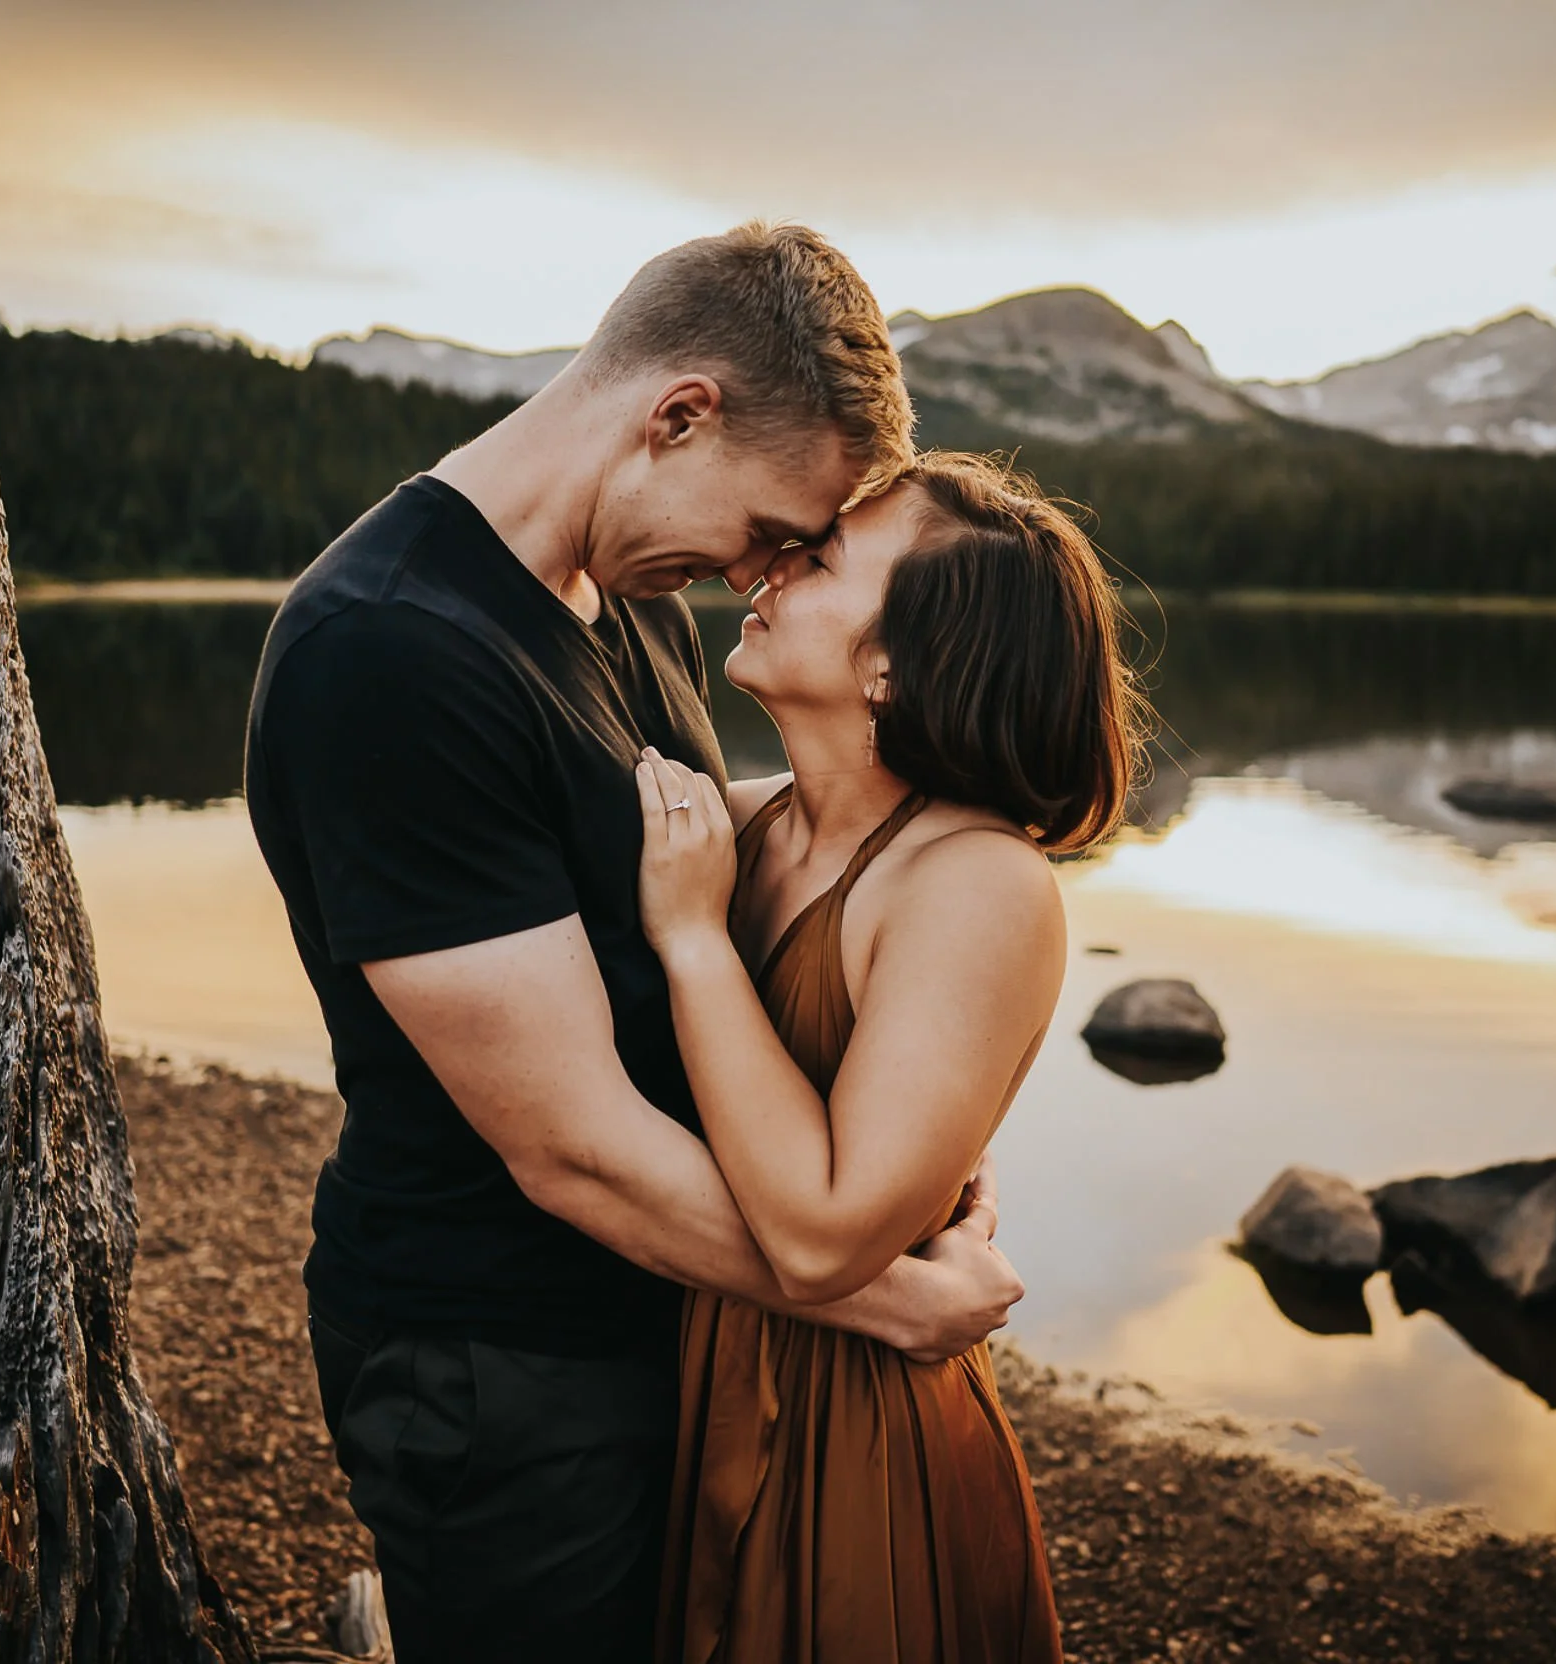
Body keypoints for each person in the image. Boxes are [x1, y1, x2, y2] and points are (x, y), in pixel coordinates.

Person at [244, 224, 1028, 1664]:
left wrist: (912, 1066)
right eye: (773, 531)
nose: (760, 577)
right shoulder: (392, 650)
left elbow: (679, 854)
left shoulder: (625, 595)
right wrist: (885, 1293)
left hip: (655, 1318)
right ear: (677, 418)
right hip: (500, 1365)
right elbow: (574, 1146)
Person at [634, 452, 1148, 1663]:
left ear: (892, 667)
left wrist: (695, 940)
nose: (770, 566)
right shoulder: (736, 824)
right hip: (679, 1385)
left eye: (821, 559)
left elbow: (820, 1234)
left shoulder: (977, 883)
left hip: (851, 1428)